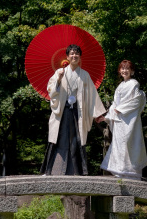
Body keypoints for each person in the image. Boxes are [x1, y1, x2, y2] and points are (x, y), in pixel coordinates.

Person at [41, 44, 107, 175]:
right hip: (62, 110)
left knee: (77, 139)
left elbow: (92, 95)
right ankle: (52, 170)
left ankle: (77, 171)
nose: (74, 56)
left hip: (78, 112)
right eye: (71, 53)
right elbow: (51, 91)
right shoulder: (60, 72)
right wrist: (58, 80)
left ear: (80, 57)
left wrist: (98, 114)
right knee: (58, 138)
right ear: (67, 56)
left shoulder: (84, 75)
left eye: (77, 54)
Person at [101, 60, 147, 180]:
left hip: (129, 120)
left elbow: (137, 100)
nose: (124, 71)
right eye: (122, 68)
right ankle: (119, 170)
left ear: (132, 71)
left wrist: (121, 109)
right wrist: (106, 117)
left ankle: (131, 172)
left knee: (129, 143)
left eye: (127, 68)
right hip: (119, 120)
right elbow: (114, 104)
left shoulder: (134, 83)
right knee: (119, 144)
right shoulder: (120, 85)